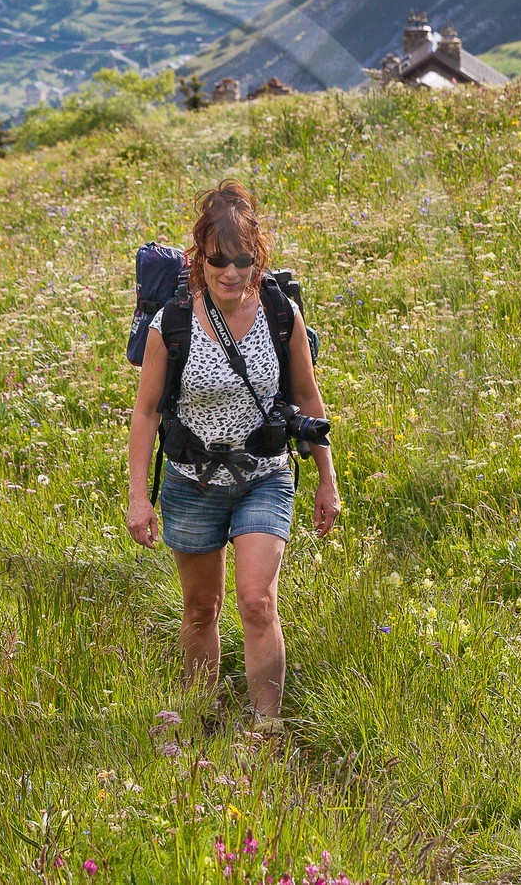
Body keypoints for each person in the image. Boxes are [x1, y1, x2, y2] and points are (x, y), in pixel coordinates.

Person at [126, 179, 341, 729]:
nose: (230, 272)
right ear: (200, 256)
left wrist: (326, 479)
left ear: (257, 257)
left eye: (242, 260)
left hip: (263, 476)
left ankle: (266, 727)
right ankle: (202, 716)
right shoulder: (168, 324)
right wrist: (137, 498)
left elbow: (307, 396)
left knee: (256, 602)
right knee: (202, 610)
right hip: (190, 483)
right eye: (218, 260)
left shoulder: (280, 313)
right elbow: (146, 411)